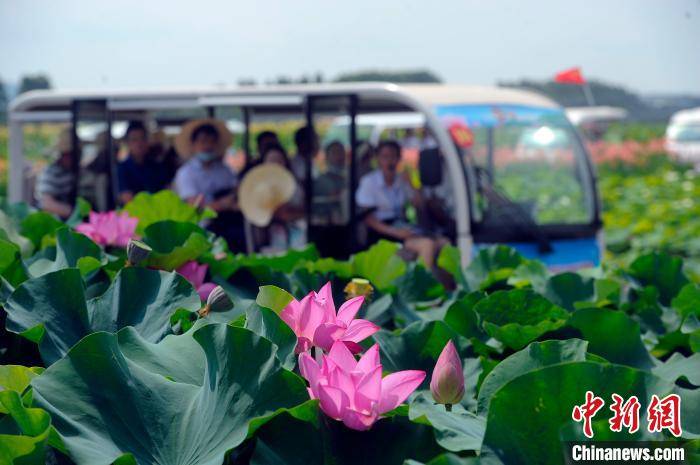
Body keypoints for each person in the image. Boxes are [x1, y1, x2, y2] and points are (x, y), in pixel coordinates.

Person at [355, 140, 448, 269]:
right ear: (378, 159)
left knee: (444, 243)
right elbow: (367, 218)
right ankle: (422, 286)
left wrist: (411, 183)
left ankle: (448, 288)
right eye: (385, 157)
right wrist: (396, 232)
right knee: (427, 245)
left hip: (401, 228)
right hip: (382, 233)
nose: (390, 161)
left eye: (393, 157)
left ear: (399, 159)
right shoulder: (369, 182)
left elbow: (420, 204)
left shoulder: (401, 180)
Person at [174, 119, 244, 251]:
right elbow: (195, 207)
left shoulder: (225, 170)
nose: (208, 146)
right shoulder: (185, 173)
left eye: (212, 141)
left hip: (230, 227)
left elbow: (237, 190)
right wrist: (222, 205)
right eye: (203, 141)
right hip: (202, 231)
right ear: (193, 145)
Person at [117, 121, 174, 204]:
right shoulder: (122, 169)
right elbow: (127, 199)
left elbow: (167, 193)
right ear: (128, 143)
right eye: (134, 140)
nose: (139, 143)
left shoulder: (158, 166)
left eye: (142, 138)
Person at [35, 129, 77, 219]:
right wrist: (76, 213)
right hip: (57, 224)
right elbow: (47, 204)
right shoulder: (51, 172)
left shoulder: (76, 171)